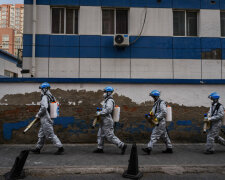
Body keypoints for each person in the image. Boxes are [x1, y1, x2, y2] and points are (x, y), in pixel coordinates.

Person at [31, 82, 64, 155]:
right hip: (49, 117)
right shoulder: (51, 96)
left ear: (44, 89)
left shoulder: (45, 97)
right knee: (41, 134)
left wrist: (38, 115)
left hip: (46, 118)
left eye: (41, 89)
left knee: (50, 134)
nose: (41, 91)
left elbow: (44, 107)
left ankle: (60, 147)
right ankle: (38, 148)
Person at [93, 86, 127, 154]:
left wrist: (100, 112)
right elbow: (105, 109)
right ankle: (100, 148)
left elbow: (108, 110)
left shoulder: (110, 100)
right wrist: (100, 111)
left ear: (109, 93)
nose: (104, 93)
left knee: (109, 136)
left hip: (107, 121)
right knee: (100, 134)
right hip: (103, 120)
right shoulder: (106, 100)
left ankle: (122, 145)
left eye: (105, 92)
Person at [142, 90, 173, 155]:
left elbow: (164, 112)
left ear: (156, 96)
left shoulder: (161, 103)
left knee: (154, 135)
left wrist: (157, 118)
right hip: (160, 121)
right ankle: (169, 148)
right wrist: (149, 114)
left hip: (160, 121)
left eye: (153, 96)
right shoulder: (157, 102)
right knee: (165, 136)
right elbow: (154, 111)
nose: (152, 97)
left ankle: (149, 148)